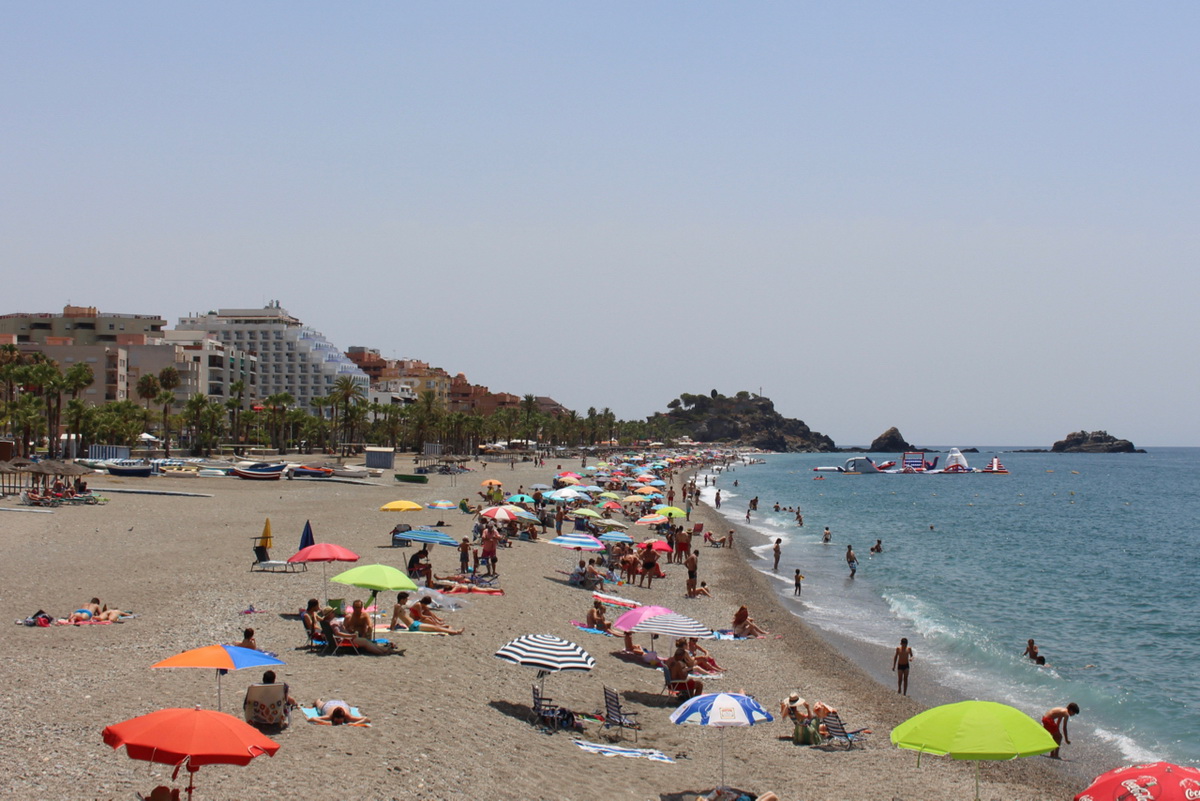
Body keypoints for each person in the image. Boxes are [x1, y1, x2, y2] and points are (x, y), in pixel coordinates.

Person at [323, 607, 398, 654]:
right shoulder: (333, 623)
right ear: (329, 614)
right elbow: (337, 633)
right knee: (365, 642)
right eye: (333, 612)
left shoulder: (329, 622)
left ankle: (384, 650)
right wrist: (351, 635)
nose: (334, 613)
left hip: (346, 638)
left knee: (367, 642)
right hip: (346, 639)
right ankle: (382, 652)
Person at [389, 592, 463, 635]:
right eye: (406, 599)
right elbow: (394, 617)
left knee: (434, 627)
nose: (407, 601)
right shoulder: (397, 606)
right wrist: (392, 628)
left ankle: (451, 630)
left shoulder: (399, 606)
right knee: (435, 628)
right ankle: (455, 632)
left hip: (415, 623)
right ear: (402, 599)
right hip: (413, 626)